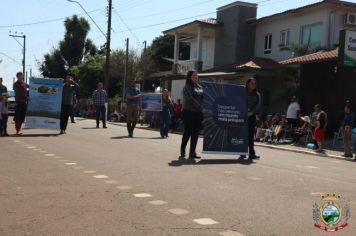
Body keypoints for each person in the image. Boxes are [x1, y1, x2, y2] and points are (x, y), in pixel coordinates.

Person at [180, 70, 203, 161]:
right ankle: (182, 149)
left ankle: (192, 152)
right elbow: (190, 99)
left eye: (197, 75)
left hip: (198, 113)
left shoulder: (200, 87)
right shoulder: (187, 87)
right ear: (189, 77)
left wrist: (204, 106)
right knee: (188, 131)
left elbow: (203, 98)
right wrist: (201, 106)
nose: (196, 77)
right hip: (188, 112)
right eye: (194, 75)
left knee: (195, 133)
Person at [245, 78, 261, 159]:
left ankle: (252, 154)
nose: (253, 85)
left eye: (254, 83)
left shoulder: (257, 94)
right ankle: (241, 151)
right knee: (242, 134)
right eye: (252, 83)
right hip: (242, 116)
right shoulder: (243, 92)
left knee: (250, 135)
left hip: (251, 117)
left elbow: (258, 106)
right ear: (247, 84)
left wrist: (251, 113)